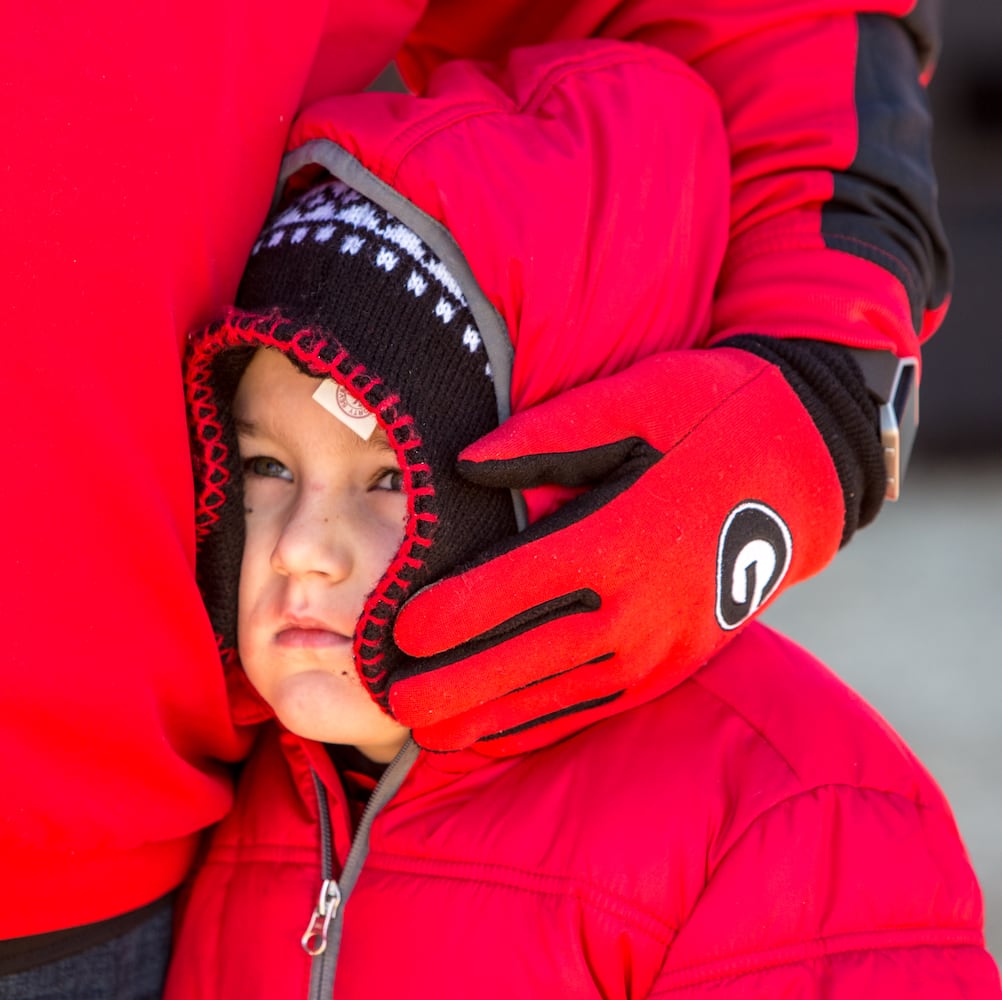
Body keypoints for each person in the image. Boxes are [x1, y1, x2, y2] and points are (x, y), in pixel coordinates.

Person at [0, 1, 958, 994]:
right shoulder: (282, 806)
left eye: (384, 478)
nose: (300, 549)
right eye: (266, 469)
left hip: (87, 880)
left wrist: (819, 362)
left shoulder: (781, 811)